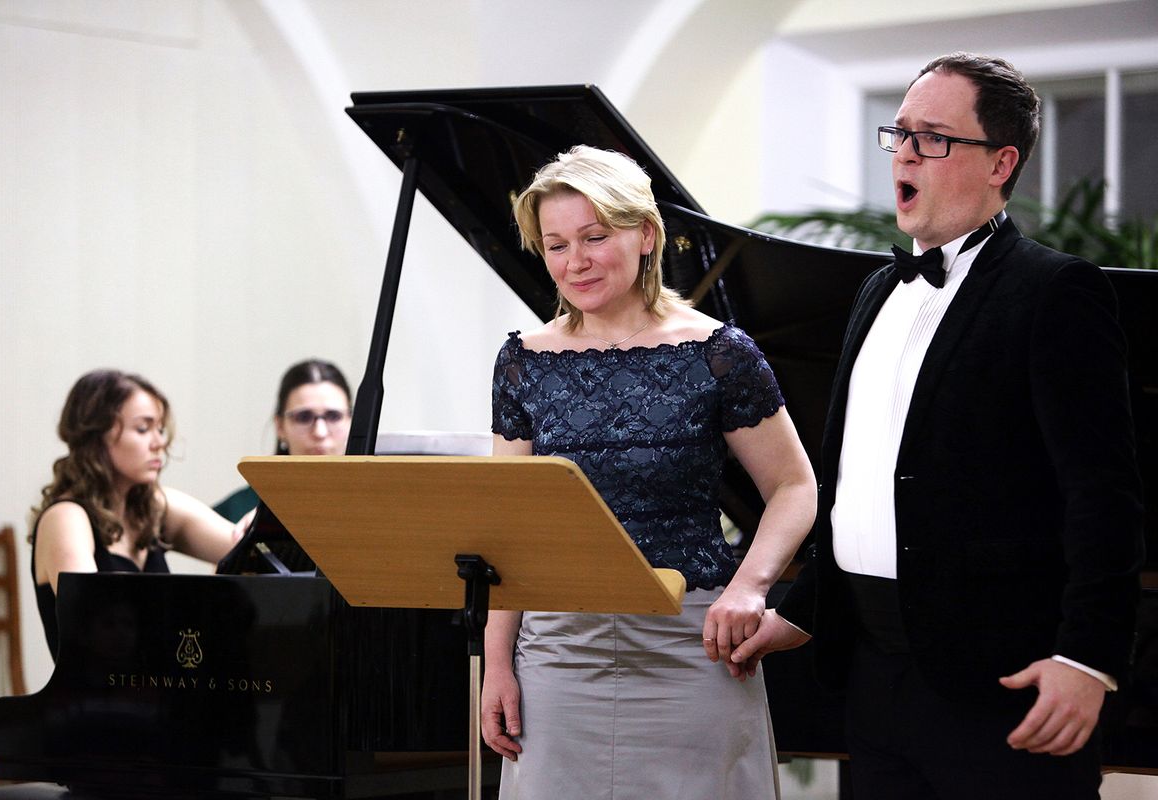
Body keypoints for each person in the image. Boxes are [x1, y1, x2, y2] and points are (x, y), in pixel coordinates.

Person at [734, 52, 1146, 799]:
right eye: (901, 134)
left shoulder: (1056, 291)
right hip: (873, 679)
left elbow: (1104, 496)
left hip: (1002, 680)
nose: (906, 152)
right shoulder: (874, 290)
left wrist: (1087, 658)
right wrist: (801, 614)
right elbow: (859, 487)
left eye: (934, 138)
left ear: (1001, 164)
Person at [482, 145, 818, 798]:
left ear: (645, 234)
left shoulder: (720, 353)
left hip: (692, 645)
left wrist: (751, 586)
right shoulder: (522, 361)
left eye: (594, 237)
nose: (574, 261)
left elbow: (794, 485)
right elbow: (509, 527)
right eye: (556, 245)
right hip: (558, 653)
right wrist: (498, 663)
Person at [31, 369, 241, 658]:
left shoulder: (153, 506)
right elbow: (102, 624)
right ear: (97, 436)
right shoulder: (66, 518)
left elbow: (244, 547)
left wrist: (260, 525)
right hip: (97, 687)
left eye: (160, 430)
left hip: (157, 684)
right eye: (143, 429)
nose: (159, 443)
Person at [213, 358, 352, 522]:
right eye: (303, 417)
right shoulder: (235, 512)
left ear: (352, 421)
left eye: (334, 416)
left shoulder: (374, 504)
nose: (320, 432)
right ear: (280, 426)